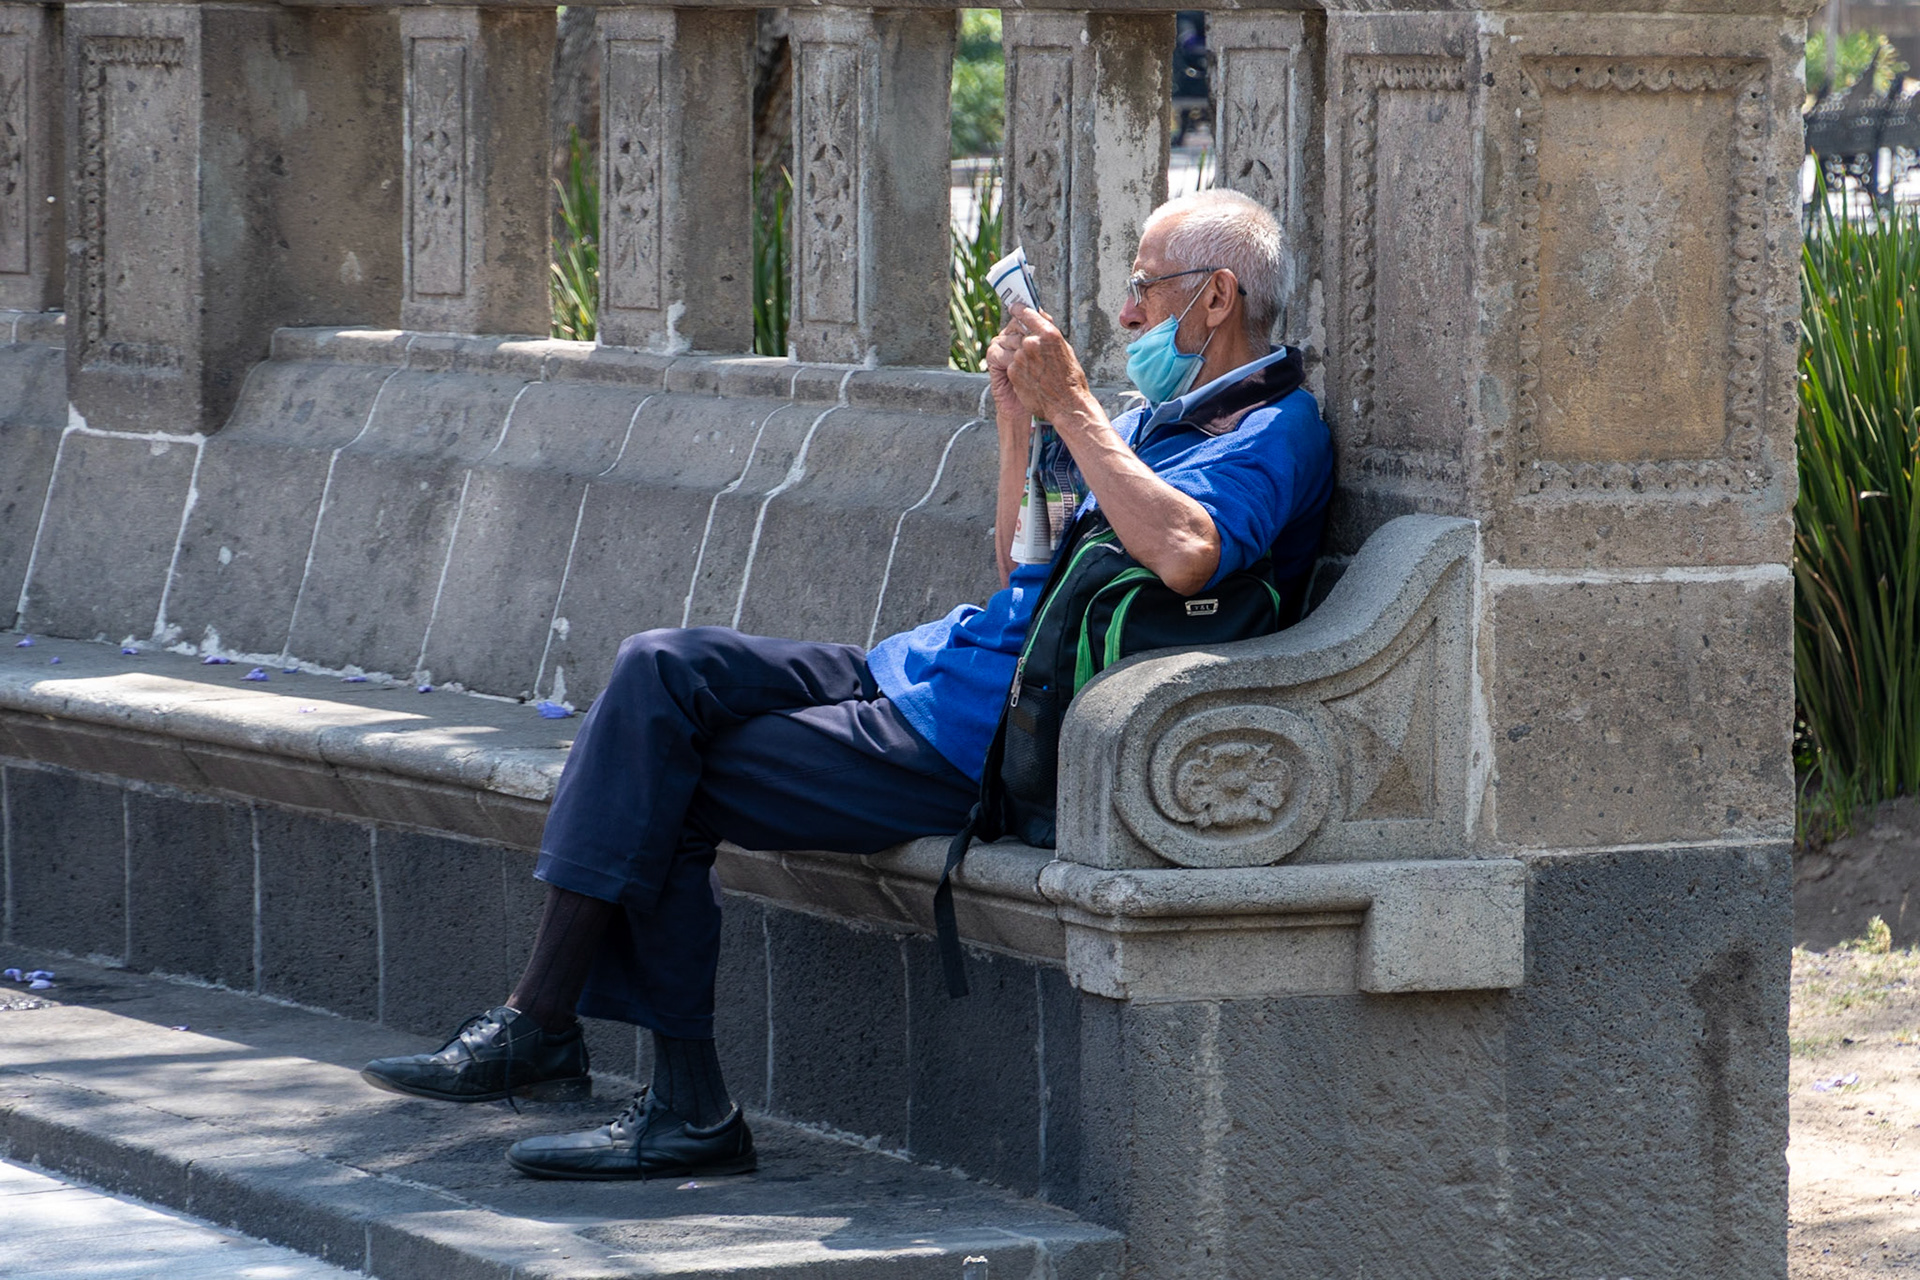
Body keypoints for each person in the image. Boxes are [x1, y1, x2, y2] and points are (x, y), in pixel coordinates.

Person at [358, 188, 1334, 1181]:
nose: (1126, 314)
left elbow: (1186, 552)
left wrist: (1077, 410)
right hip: (927, 669)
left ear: (1216, 297)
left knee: (662, 776)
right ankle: (546, 1025)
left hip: (978, 737)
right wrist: (1018, 420)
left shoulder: (1273, 429)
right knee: (660, 663)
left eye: (1145, 288)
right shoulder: (1157, 420)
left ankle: (655, 1089)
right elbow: (1018, 567)